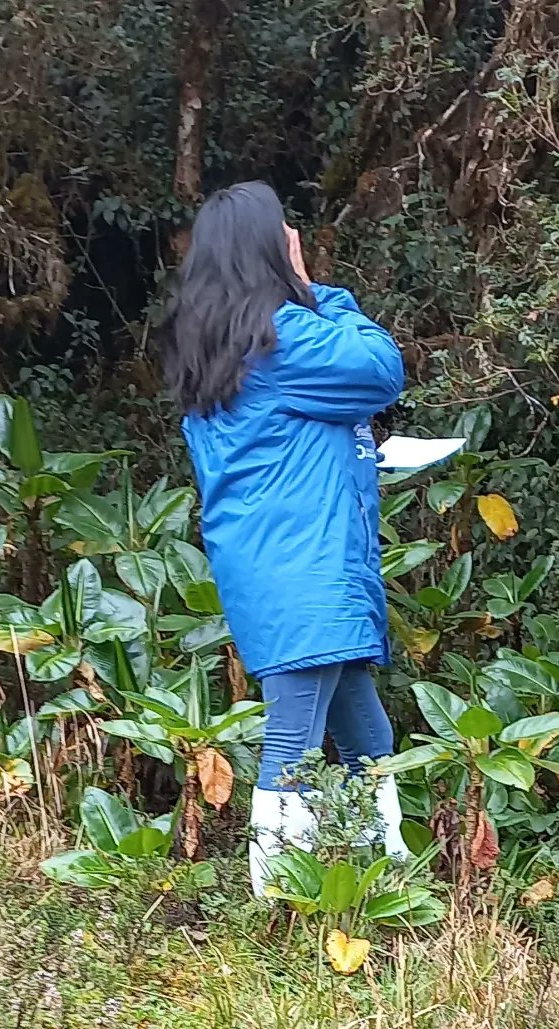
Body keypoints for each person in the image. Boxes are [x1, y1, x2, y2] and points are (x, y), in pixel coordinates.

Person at [159, 180, 410, 897]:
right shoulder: (282, 335)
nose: (294, 238)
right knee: (293, 741)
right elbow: (379, 369)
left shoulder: (221, 344)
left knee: (366, 735)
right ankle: (276, 901)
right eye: (285, 232)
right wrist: (317, 289)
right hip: (307, 566)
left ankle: (384, 876)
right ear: (267, 249)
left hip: (278, 562)